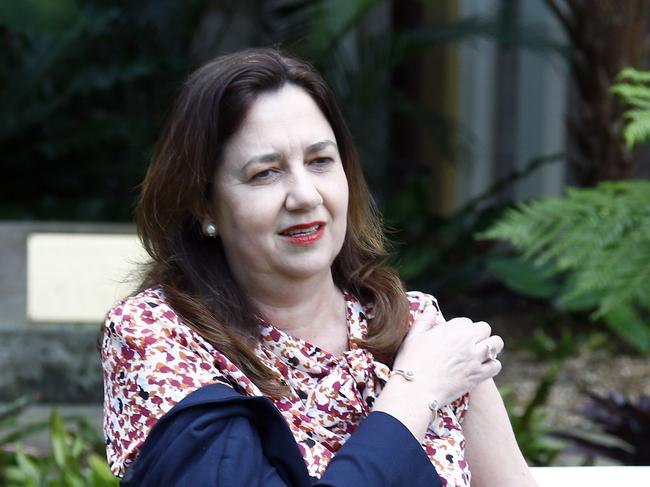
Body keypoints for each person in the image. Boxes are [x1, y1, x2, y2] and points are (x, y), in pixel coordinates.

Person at [100, 47, 537, 486]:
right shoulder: (158, 340)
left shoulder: (417, 329)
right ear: (203, 204)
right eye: (265, 173)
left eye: (320, 162)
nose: (305, 195)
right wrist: (415, 392)